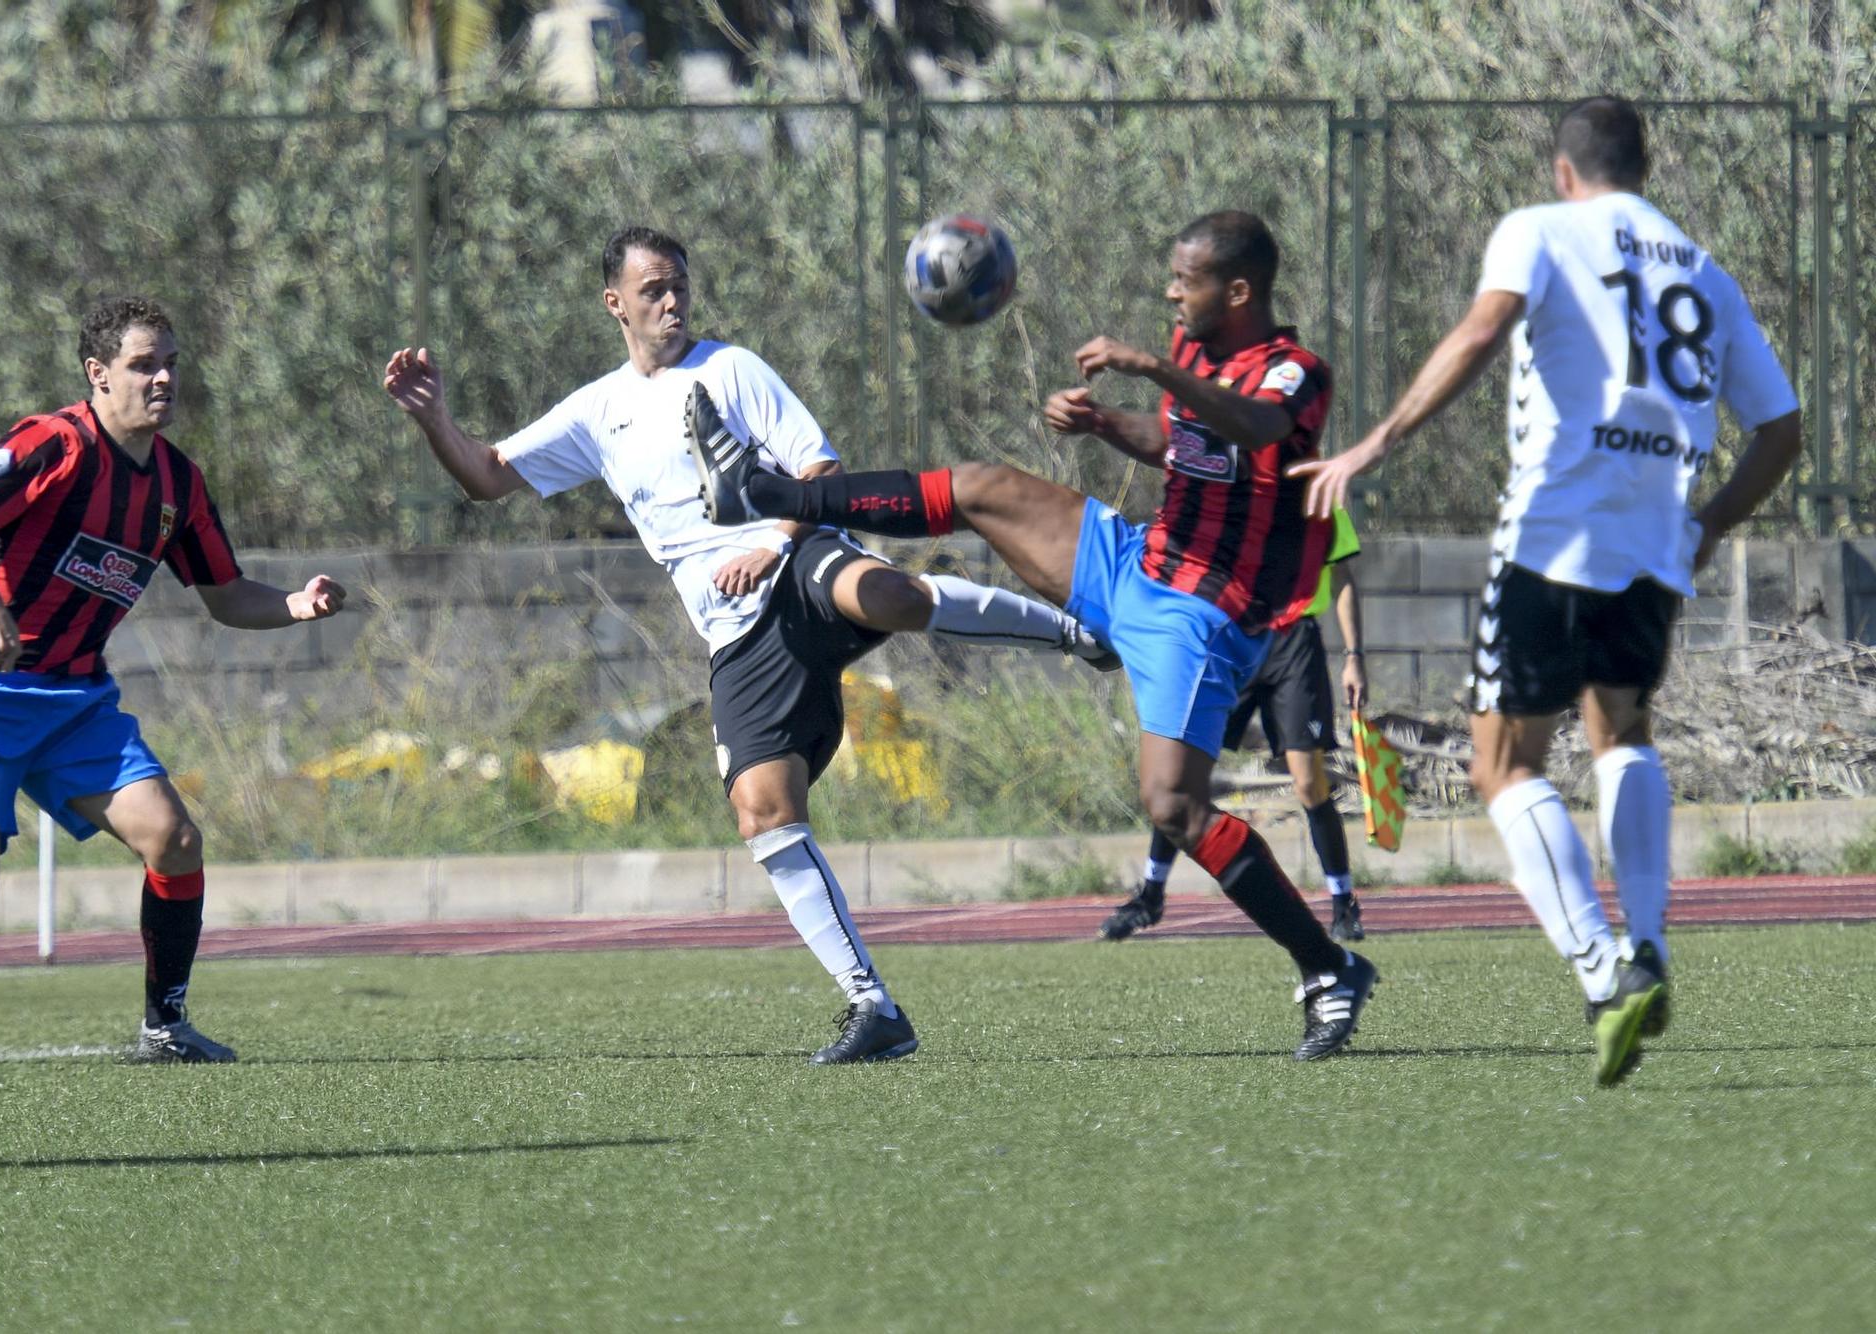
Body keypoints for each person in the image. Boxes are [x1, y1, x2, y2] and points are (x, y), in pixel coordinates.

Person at [383, 225, 1116, 1065]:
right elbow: (485, 476)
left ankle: (1075, 632)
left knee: (885, 595)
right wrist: (433, 418)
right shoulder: (599, 410)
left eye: (680, 287)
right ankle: (873, 1008)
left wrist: (769, 543)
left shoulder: (730, 370)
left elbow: (819, 472)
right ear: (614, 302)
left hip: (791, 559)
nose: (671, 302)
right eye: (653, 288)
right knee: (761, 811)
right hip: (736, 635)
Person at [692, 211, 1379, 1061]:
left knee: (1173, 806)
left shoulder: (1295, 373)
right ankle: (771, 493)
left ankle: (1326, 968)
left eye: (1185, 279)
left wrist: (1153, 366)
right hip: (1140, 560)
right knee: (981, 488)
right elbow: (1179, 441)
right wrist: (1105, 425)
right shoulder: (1197, 349)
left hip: (1203, 615)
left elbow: (1257, 429)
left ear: (1237, 292)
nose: (1170, 291)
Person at [1294, 96, 1802, 1086]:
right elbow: (1779, 431)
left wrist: (1373, 440)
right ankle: (1645, 939)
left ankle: (1600, 970)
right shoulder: (1699, 266)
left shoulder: (1535, 229)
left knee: (1502, 764)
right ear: (1638, 167)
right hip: (1654, 538)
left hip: (1552, 532)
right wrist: (1705, 526)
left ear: (1563, 170)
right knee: (1621, 734)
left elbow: (1484, 329)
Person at [0, 296, 347, 1063]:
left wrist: (294, 604)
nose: (162, 379)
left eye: (170, 364)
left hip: (71, 702)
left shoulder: (178, 486)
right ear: (98, 374)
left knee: (175, 837)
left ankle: (166, 1026)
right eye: (142, 365)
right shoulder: (53, 443)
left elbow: (226, 597)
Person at [1100, 506, 1368, 944]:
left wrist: (1355, 657)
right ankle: (1150, 895)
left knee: (1308, 782)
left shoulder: (1320, 500)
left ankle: (1343, 904)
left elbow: (1343, 579)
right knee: (1181, 775)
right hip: (1230, 633)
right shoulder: (1227, 492)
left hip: (1293, 644)